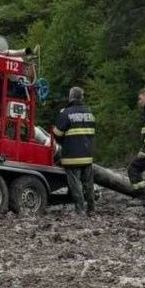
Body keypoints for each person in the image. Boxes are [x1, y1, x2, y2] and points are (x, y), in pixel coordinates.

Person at [53, 86, 96, 215]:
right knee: (88, 183)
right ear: (81, 97)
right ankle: (91, 208)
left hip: (71, 156)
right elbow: (92, 133)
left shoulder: (66, 113)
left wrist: (62, 142)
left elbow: (57, 134)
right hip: (87, 155)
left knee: (75, 184)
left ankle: (80, 209)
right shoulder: (90, 113)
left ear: (70, 97)